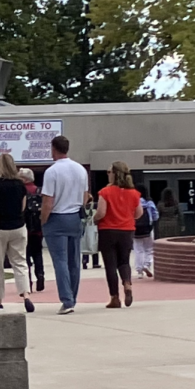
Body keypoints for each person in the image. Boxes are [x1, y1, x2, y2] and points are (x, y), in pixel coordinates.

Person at [41, 135, 90, 315]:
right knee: (74, 260)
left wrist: (43, 220)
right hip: (75, 216)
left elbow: (48, 201)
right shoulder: (80, 169)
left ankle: (66, 299)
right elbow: (85, 196)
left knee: (60, 260)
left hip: (57, 217)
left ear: (54, 149)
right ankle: (73, 297)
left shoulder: (52, 172)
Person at [0, 155, 34, 312]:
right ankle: (26, 294)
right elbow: (22, 207)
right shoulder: (20, 185)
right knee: (20, 262)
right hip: (18, 227)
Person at [93, 162, 143, 308]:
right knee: (124, 261)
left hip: (107, 230)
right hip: (127, 230)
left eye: (109, 172)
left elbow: (101, 212)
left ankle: (115, 297)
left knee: (110, 265)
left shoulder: (105, 192)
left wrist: (94, 218)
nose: (107, 174)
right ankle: (127, 283)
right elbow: (139, 213)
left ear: (114, 173)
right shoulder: (134, 193)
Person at [19, 168, 45, 292]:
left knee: (25, 255)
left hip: (24, 228)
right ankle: (40, 275)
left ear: (24, 179)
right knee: (38, 254)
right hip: (38, 229)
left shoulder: (21, 190)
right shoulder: (39, 191)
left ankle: (28, 281)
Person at [134, 183, 159, 278]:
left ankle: (139, 271)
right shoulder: (149, 203)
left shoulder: (134, 202)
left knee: (138, 250)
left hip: (135, 229)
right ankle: (147, 265)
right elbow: (155, 216)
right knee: (149, 249)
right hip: (147, 229)